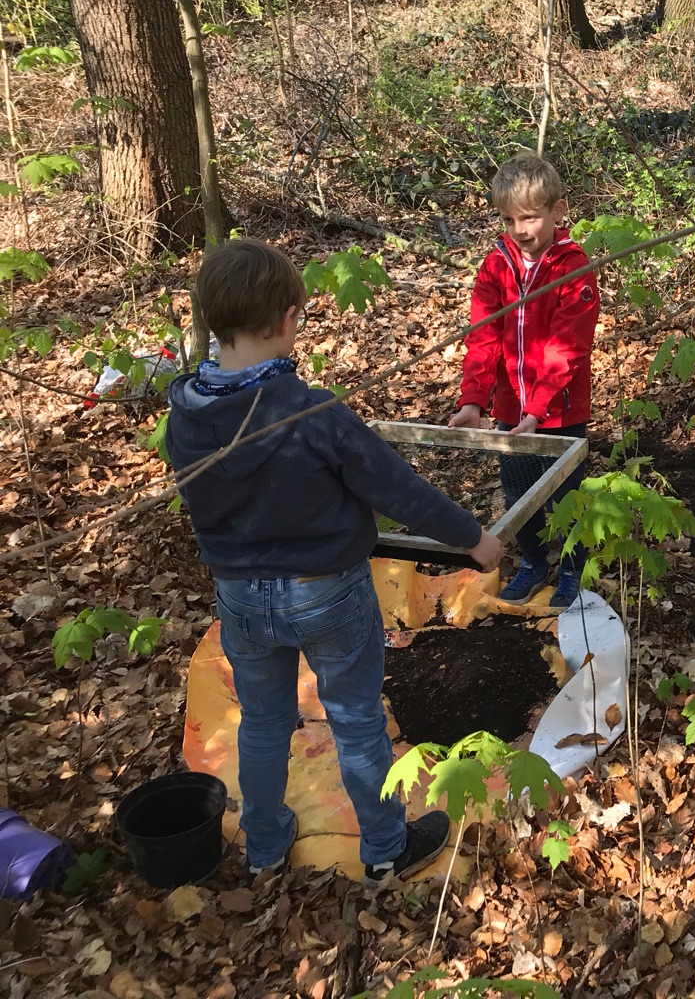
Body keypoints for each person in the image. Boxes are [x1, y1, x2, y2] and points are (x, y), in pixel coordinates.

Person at [167, 239, 503, 886]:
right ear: (291, 318)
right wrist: (474, 540)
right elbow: (398, 489)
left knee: (263, 721)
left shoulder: (188, 411)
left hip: (240, 596)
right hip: (325, 594)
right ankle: (384, 846)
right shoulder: (312, 411)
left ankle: (263, 845)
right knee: (354, 721)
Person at [449, 152, 600, 610]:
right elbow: (483, 336)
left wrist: (539, 408)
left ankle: (573, 567)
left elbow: (567, 347)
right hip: (510, 412)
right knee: (520, 496)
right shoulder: (496, 266)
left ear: (557, 211)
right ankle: (534, 563)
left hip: (559, 411)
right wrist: (474, 400)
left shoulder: (574, 270)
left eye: (530, 217)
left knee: (567, 496)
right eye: (509, 219)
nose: (520, 229)